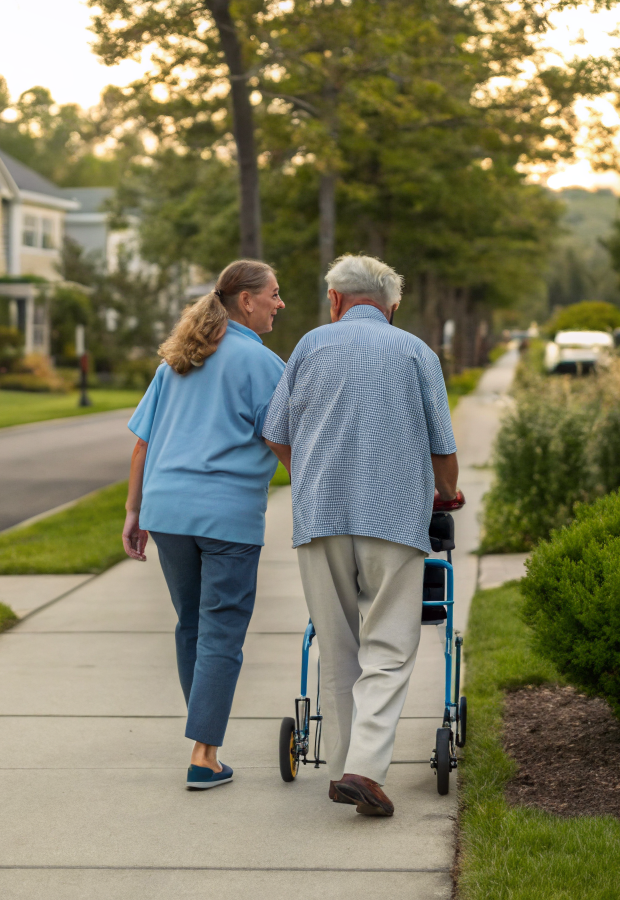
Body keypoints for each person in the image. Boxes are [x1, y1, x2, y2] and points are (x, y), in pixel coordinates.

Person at [262, 254, 460, 817]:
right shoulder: (417, 352)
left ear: (335, 299)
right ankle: (363, 770)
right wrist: (447, 492)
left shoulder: (310, 345)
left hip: (319, 519)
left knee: (338, 644)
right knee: (390, 648)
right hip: (394, 519)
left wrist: (310, 476)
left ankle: (346, 767)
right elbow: (441, 446)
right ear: (392, 307)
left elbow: (276, 431)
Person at [122, 259, 287, 790]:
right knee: (220, 632)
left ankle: (204, 744)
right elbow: (282, 441)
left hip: (167, 511)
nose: (279, 304)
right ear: (246, 301)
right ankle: (203, 756)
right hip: (227, 516)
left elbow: (143, 443)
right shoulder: (263, 364)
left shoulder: (177, 360)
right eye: (274, 295)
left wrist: (133, 511)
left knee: (191, 625)